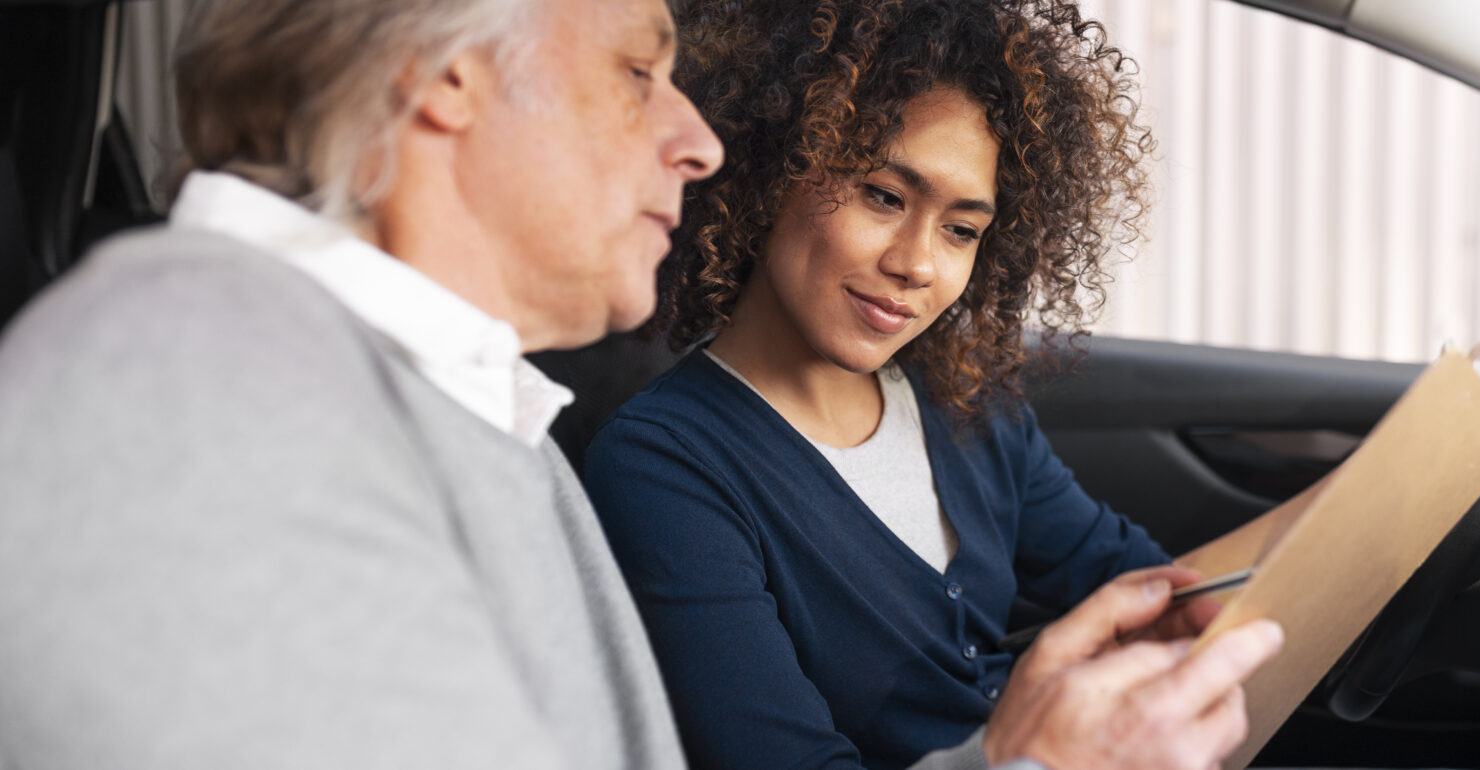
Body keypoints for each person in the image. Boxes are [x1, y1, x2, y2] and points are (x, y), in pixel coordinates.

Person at [0, 0, 1282, 769]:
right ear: (448, 69)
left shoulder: (467, 420)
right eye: (634, 68)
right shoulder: (191, 391)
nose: (701, 138)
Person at [583, 1, 1286, 768]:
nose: (917, 264)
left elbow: (1137, 583)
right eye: (883, 196)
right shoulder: (663, 468)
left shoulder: (963, 403)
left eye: (960, 230)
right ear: (771, 170)